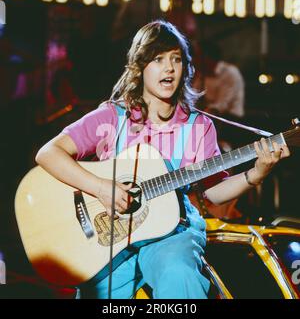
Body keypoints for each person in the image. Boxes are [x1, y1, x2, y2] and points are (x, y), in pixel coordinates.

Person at [35, 20, 290, 299]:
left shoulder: (198, 126)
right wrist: (99, 187)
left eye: (176, 59)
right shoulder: (112, 118)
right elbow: (48, 153)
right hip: (111, 237)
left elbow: (214, 193)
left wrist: (257, 173)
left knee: (178, 275)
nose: (169, 67)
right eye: (158, 59)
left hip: (172, 234)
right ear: (139, 67)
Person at [193, 41, 245, 118]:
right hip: (210, 117)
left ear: (207, 58)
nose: (194, 60)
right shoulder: (202, 73)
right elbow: (193, 95)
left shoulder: (229, 72)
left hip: (230, 119)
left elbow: (223, 104)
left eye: (197, 56)